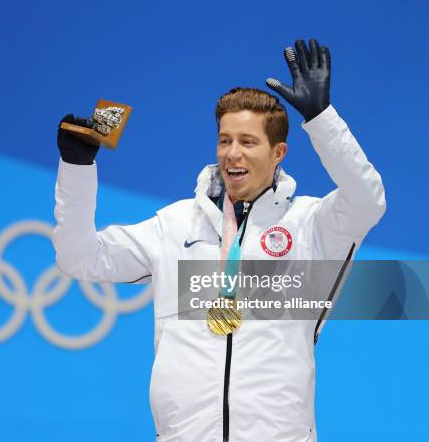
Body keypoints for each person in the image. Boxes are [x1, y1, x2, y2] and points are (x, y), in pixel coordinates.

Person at [52, 38, 386, 441]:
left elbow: (368, 200)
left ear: (278, 152)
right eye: (225, 140)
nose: (232, 154)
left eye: (248, 142)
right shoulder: (175, 224)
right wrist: (76, 167)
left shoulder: (311, 225)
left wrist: (322, 119)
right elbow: (79, 256)